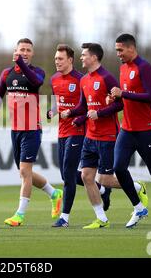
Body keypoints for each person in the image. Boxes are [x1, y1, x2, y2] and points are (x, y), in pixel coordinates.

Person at [63, 43, 147, 228]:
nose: (81, 58)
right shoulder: (84, 80)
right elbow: (84, 107)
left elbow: (119, 105)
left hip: (108, 136)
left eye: (84, 55)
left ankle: (138, 188)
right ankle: (101, 219)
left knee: (106, 180)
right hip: (90, 137)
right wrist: (73, 114)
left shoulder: (107, 78)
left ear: (94, 57)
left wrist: (99, 114)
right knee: (86, 177)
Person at [0, 38, 63, 226]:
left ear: (32, 54)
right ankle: (54, 193)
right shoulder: (6, 74)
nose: (24, 52)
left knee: (25, 171)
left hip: (32, 129)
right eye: (21, 49)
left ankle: (20, 215)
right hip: (15, 129)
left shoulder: (37, 72)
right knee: (25, 173)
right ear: (15, 51)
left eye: (28, 50)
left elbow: (35, 83)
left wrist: (21, 65)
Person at [110, 34, 151, 229]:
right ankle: (138, 207)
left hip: (147, 129)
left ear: (131, 48)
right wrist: (115, 99)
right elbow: (126, 100)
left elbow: (150, 97)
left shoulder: (144, 67)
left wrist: (123, 93)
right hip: (127, 129)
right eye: (116, 51)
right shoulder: (122, 69)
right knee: (119, 168)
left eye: (120, 50)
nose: (118, 54)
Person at [49, 44, 111, 228]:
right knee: (66, 175)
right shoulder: (53, 79)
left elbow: (86, 107)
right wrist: (51, 111)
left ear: (70, 60)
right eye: (55, 59)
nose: (57, 62)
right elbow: (56, 103)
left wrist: (77, 117)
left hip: (78, 132)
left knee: (68, 174)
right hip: (61, 131)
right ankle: (101, 189)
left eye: (60, 59)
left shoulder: (81, 79)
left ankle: (65, 218)